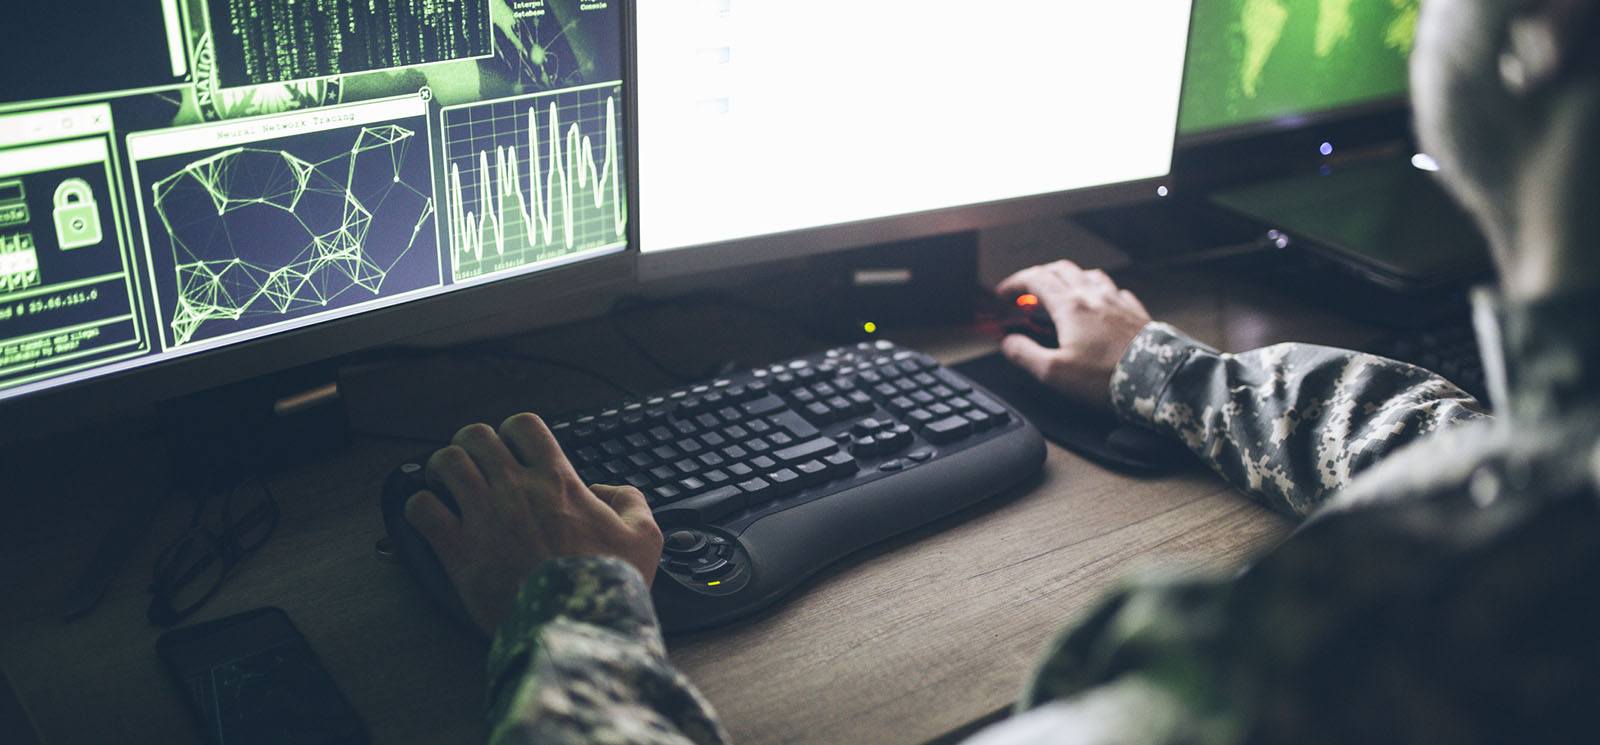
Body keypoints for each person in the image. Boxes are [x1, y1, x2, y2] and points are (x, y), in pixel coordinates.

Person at [402, 0, 1600, 741]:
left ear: (1535, 39)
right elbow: (1489, 461)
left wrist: (568, 616)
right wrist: (1169, 372)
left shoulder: (1340, 667)